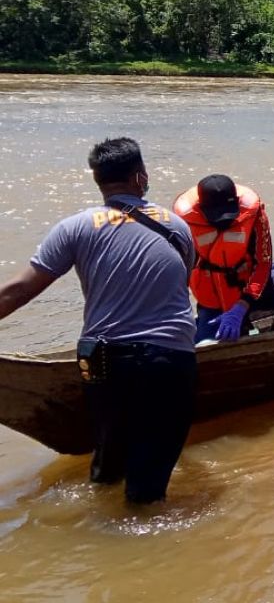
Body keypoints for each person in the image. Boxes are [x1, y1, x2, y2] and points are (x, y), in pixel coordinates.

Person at [0, 137, 197, 504]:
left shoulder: (74, 227)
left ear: (99, 181)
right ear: (141, 178)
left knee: (108, 462)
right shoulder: (177, 227)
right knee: (148, 485)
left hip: (100, 361)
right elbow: (180, 285)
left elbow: (16, 291)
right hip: (166, 360)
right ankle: (139, 549)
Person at [173, 175, 274, 343]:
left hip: (257, 284)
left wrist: (242, 306)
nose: (224, 222)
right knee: (206, 346)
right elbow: (178, 274)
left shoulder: (253, 213)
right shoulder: (183, 224)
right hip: (216, 298)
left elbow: (263, 263)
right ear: (202, 209)